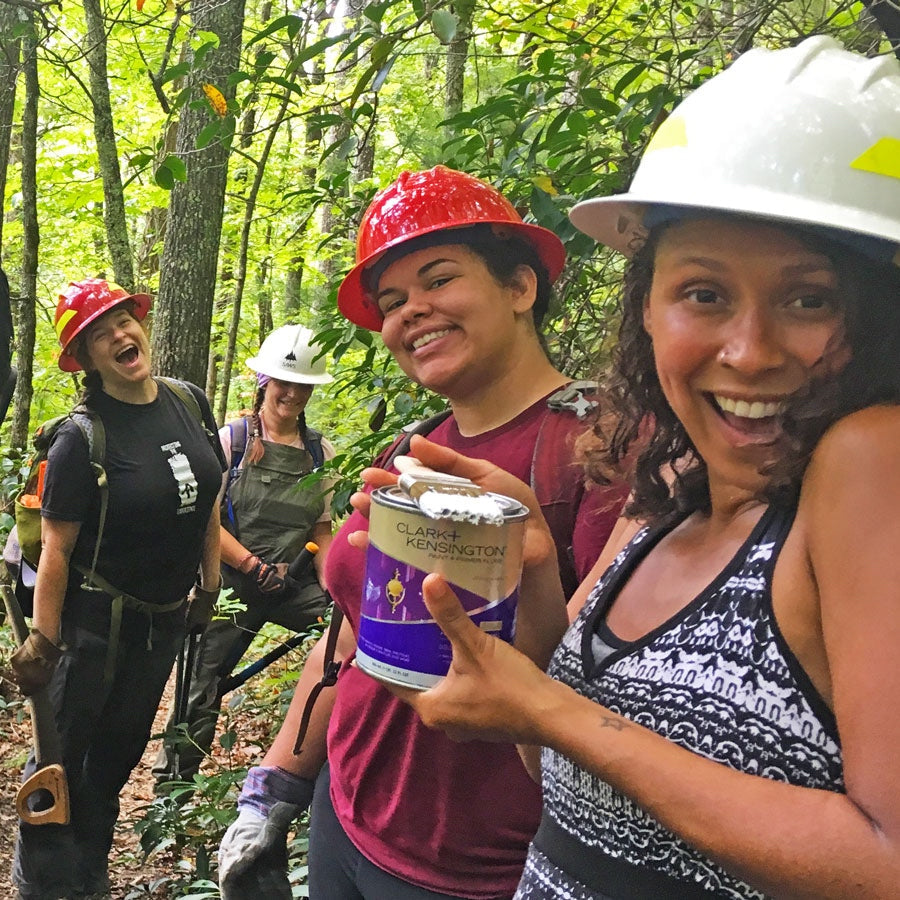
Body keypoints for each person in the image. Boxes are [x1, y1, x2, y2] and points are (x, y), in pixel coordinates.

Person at [376, 37, 900, 899]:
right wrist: (532, 574)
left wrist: (549, 710)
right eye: (704, 293)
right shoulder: (666, 494)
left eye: (810, 298)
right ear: (648, 307)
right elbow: (564, 769)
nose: (750, 349)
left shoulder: (865, 465)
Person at [217, 165, 630, 898]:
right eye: (393, 301)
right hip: (342, 815)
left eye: (438, 280)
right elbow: (349, 632)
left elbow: (611, 701)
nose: (412, 312)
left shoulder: (598, 454)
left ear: (519, 287)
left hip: (467, 865)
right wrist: (279, 777)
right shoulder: (410, 449)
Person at [9, 279, 225, 900]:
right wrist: (44, 646)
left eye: (123, 321)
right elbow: (56, 550)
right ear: (85, 356)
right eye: (100, 334)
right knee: (62, 762)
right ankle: (43, 885)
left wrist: (208, 587)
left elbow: (207, 498)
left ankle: (89, 876)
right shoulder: (83, 437)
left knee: (116, 757)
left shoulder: (189, 402)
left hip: (162, 622)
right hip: (93, 629)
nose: (120, 336)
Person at [154, 323, 336, 784]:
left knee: (347, 645)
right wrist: (251, 566)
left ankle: (317, 772)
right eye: (284, 382)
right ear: (264, 383)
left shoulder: (321, 453)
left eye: (302, 385)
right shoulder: (229, 441)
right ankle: (171, 793)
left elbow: (321, 529)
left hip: (294, 585)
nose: (292, 394)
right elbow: (207, 522)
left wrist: (338, 589)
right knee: (199, 688)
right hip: (233, 582)